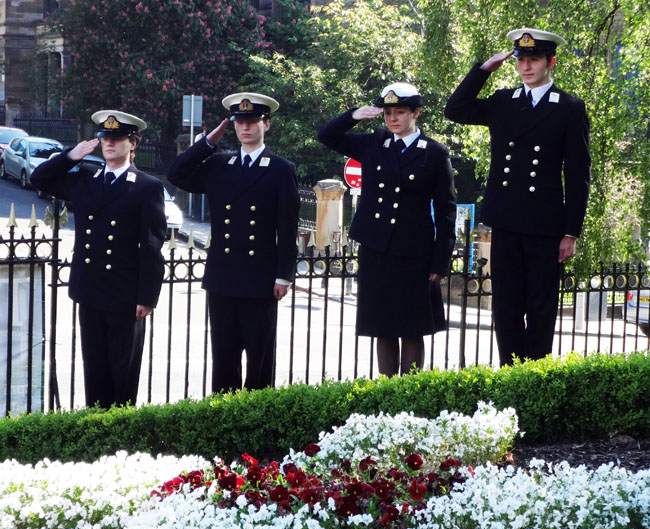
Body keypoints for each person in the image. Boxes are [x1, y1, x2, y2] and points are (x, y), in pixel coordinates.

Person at [444, 28, 591, 366]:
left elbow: (578, 173)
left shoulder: (569, 108)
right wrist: (483, 71)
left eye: (534, 60)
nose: (526, 67)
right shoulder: (503, 102)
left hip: (546, 225)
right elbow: (456, 109)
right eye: (521, 60)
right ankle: (510, 375)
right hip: (506, 220)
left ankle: (534, 377)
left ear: (550, 62)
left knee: (540, 308)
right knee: (506, 306)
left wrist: (572, 231)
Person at [318, 83, 457, 376]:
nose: (393, 118)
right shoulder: (374, 143)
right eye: (388, 113)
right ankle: (386, 389)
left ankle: (409, 392)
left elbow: (446, 212)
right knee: (382, 326)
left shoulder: (433, 153)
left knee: (412, 327)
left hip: (414, 252)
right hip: (376, 248)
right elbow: (327, 135)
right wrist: (354, 114)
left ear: (415, 113)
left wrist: (440, 260)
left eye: (400, 112)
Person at [31, 110, 166, 408]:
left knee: (122, 374)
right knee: (94, 370)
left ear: (133, 144)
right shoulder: (86, 177)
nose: (109, 144)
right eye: (105, 138)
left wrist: (147, 297)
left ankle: (120, 437)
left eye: (117, 139)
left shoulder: (146, 186)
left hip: (125, 295)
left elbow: (152, 246)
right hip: (89, 290)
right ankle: (96, 432)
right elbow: (39, 177)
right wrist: (70, 156)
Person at [167, 92, 299, 393]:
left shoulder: (280, 169)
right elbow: (177, 174)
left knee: (259, 360)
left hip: (261, 278)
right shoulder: (219, 164)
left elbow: (287, 229)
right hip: (223, 276)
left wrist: (284, 275)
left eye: (253, 121)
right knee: (224, 358)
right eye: (240, 122)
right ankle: (222, 422)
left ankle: (257, 421)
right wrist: (206, 143)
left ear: (266, 124)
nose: (246, 128)